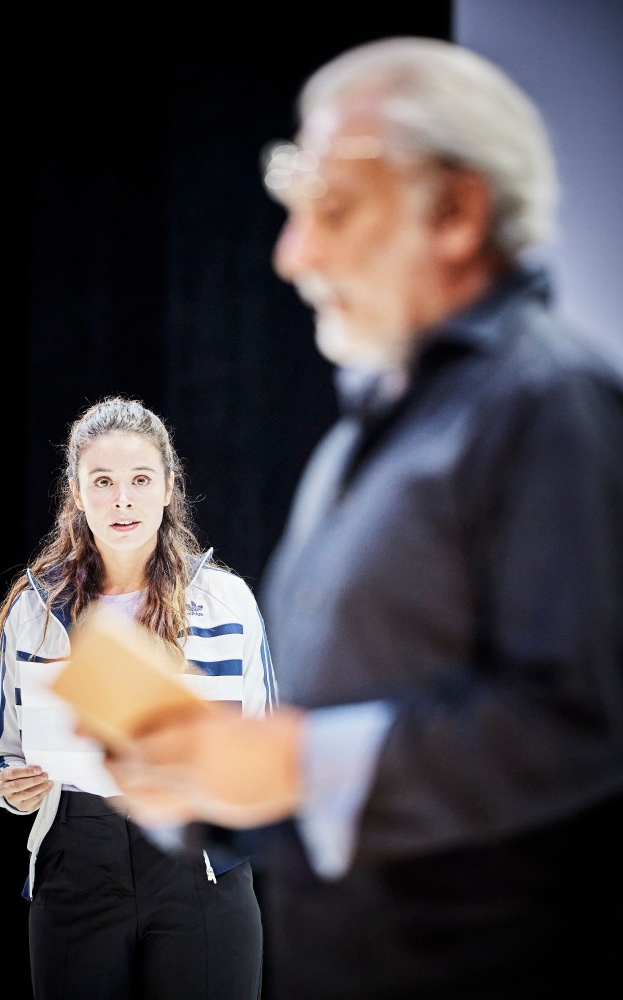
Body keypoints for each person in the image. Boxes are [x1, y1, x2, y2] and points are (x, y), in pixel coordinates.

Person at [94, 38, 622, 1000]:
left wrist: (297, 760)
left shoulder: (550, 403)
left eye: (332, 209)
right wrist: (207, 784)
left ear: (455, 213)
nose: (292, 254)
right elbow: (350, 783)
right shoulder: (361, 435)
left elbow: (581, 727)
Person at [0, 395, 278, 1000]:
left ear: (168, 488)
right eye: (103, 481)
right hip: (76, 862)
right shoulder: (34, 609)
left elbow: (267, 751)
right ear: (77, 492)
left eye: (141, 479)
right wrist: (11, 789)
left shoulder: (227, 601)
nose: (123, 500)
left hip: (199, 863)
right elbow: (1, 752)